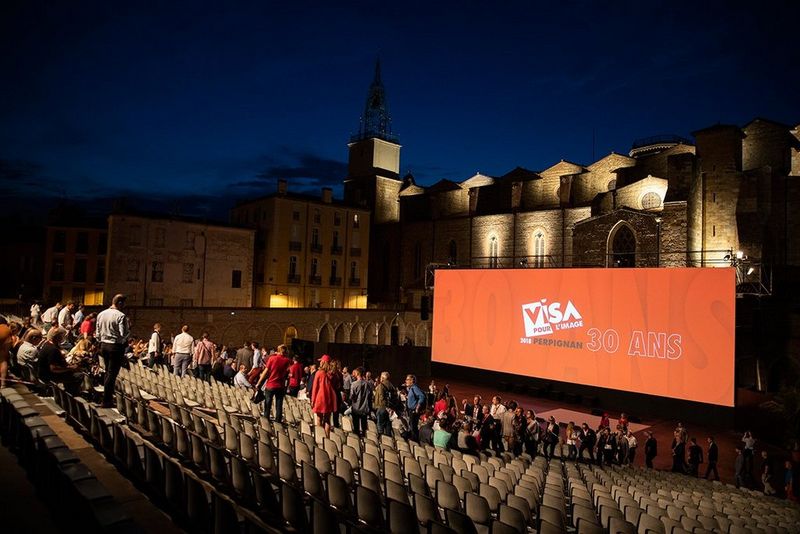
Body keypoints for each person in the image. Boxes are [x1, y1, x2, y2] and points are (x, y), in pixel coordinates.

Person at [96, 294, 129, 407]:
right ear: (119, 303)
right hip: (115, 347)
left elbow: (98, 333)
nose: (124, 306)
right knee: (112, 373)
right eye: (123, 304)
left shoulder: (101, 314)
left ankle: (107, 397)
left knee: (108, 372)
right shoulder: (121, 316)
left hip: (103, 345)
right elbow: (123, 334)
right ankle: (107, 400)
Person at [37, 327, 84, 393]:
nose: (63, 338)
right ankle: (71, 393)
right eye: (62, 336)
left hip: (44, 373)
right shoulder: (53, 349)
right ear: (58, 337)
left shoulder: (47, 344)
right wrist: (70, 368)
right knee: (79, 375)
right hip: (48, 376)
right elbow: (53, 369)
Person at [257, 344, 291, 422]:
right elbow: (288, 372)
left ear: (278, 350)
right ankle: (278, 422)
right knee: (279, 405)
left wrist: (258, 382)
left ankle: (266, 421)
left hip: (271, 384)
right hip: (280, 385)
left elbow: (265, 372)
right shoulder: (287, 360)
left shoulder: (272, 359)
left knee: (267, 405)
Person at [311, 355, 337, 437]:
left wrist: (313, 400)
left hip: (320, 398)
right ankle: (327, 438)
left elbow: (315, 388)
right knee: (327, 420)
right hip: (330, 398)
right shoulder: (333, 374)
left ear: (323, 362)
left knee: (319, 418)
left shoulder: (319, 373)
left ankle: (320, 437)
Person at [349, 367, 371, 436]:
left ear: (358, 373)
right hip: (364, 408)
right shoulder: (367, 384)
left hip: (356, 408)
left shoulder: (354, 384)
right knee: (364, 428)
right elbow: (370, 396)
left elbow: (351, 396)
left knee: (356, 428)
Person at [373, 371, 396, 437]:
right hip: (390, 409)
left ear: (382, 378)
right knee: (388, 425)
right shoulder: (392, 386)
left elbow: (381, 397)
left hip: (382, 407)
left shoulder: (381, 386)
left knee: (380, 425)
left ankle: (382, 440)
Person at [405, 374, 426, 441]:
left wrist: (417, 407)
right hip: (411, 410)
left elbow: (422, 396)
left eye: (407, 379)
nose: (406, 381)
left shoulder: (415, 388)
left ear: (412, 381)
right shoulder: (411, 388)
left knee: (413, 426)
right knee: (412, 425)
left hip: (414, 411)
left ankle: (414, 440)